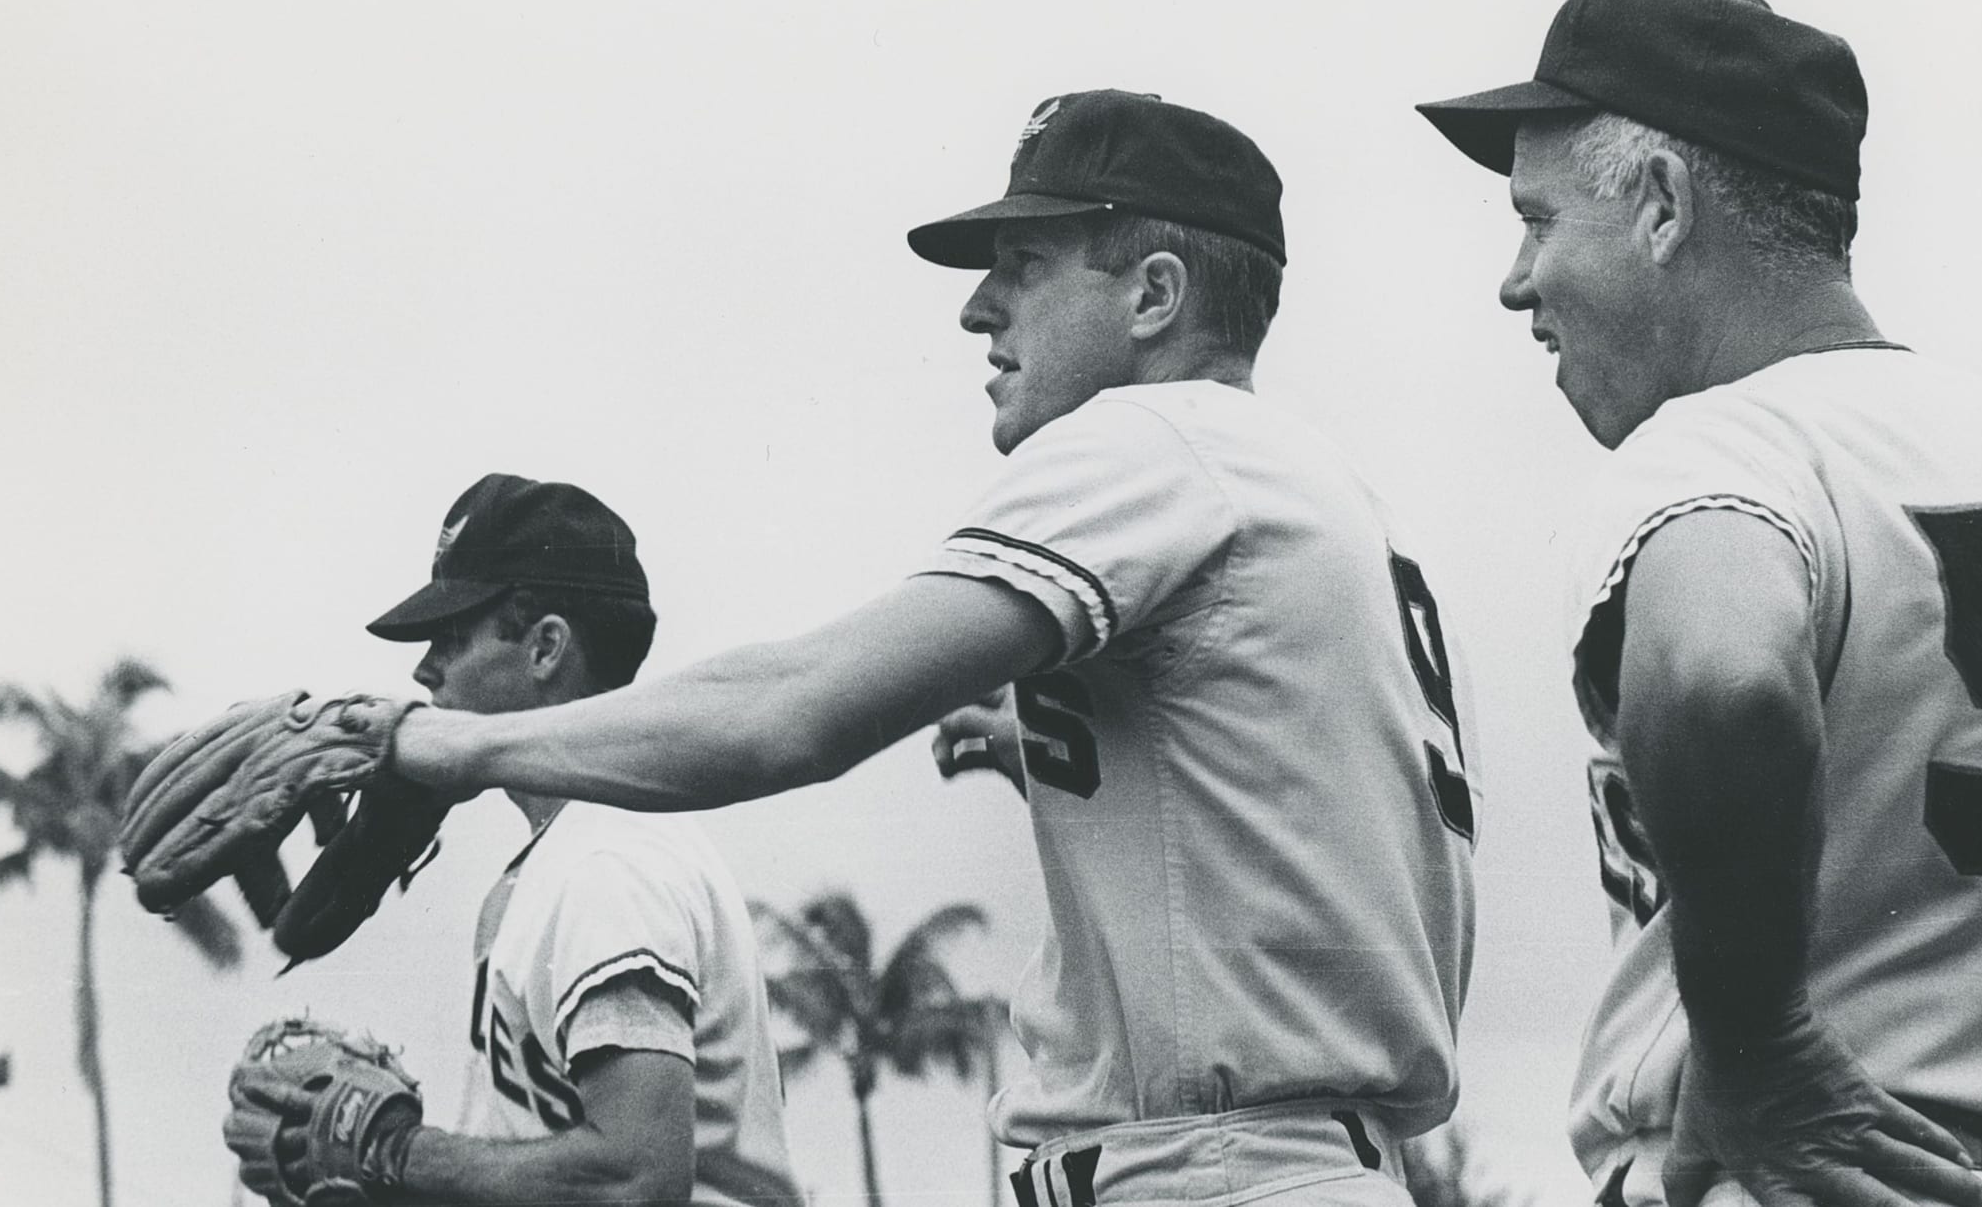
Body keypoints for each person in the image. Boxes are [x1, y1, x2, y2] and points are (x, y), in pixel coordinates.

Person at [207, 89, 1479, 1206]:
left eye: (1026, 265)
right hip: (1289, 1157)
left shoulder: (1151, 441)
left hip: (1208, 1174)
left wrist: (447, 746)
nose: (981, 307)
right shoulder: (1325, 495)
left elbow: (795, 709)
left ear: (1154, 294)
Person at [1415, 0, 1982, 1207]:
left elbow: (1722, 680)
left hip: (1803, 1172)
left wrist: (1758, 1049)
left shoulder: (1722, 442)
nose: (1518, 282)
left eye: (1539, 220)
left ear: (1661, 206)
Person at [225, 472, 800, 1206]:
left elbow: (638, 1179)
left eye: (452, 636)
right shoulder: (568, 856)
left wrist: (395, 1150)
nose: (423, 667)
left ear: (545, 648)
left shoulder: (608, 862)